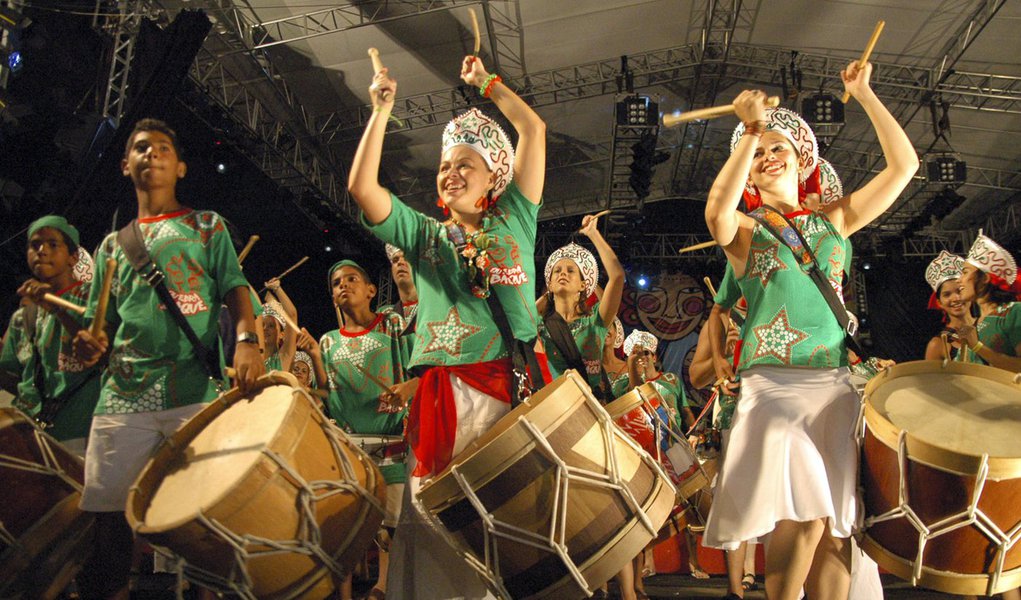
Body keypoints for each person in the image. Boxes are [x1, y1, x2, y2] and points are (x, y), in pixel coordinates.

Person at [701, 55, 917, 600]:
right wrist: (749, 130)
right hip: (771, 386)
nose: (769, 156)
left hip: (832, 386)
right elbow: (715, 214)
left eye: (780, 148)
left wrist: (865, 94)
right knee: (802, 511)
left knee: (835, 521)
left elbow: (904, 168)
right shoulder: (747, 231)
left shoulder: (836, 220)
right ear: (748, 171)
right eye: (759, 152)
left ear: (803, 163)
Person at [347, 51, 546, 598]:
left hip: (513, 386)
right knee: (443, 528)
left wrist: (488, 84)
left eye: (466, 164)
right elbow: (363, 190)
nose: (451, 173)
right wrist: (380, 112)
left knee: (515, 527)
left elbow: (533, 127)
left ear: (494, 177)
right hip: (449, 397)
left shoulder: (518, 216)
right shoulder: (425, 236)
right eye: (444, 166)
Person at [73, 118, 263, 600]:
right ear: (125, 165)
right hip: (122, 397)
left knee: (205, 520)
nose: (151, 154)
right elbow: (102, 331)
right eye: (140, 148)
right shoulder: (112, 248)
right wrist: (90, 346)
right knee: (107, 522)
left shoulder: (206, 226)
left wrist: (247, 340)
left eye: (162, 148)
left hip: (192, 391)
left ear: (179, 166)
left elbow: (236, 289)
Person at [319, 259, 414, 600]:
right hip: (350, 448)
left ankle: (388, 587)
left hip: (393, 443)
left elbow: (421, 367)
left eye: (352, 278)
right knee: (351, 530)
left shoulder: (392, 324)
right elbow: (327, 394)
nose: (343, 285)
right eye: (336, 283)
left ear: (372, 290)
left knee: (394, 530)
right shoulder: (327, 342)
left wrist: (408, 388)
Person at [0, 215, 100, 457]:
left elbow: (100, 351)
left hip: (86, 430)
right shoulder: (22, 318)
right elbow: (16, 379)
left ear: (73, 257)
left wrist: (55, 308)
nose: (42, 251)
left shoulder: (92, 300)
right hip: (35, 434)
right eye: (34, 245)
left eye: (53, 245)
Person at [537, 215, 624, 398]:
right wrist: (548, 294)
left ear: (583, 285)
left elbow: (617, 277)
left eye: (571, 271)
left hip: (589, 405)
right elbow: (524, 316)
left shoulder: (596, 322)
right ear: (549, 284)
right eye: (557, 271)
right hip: (550, 405)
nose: (563, 274)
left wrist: (593, 234)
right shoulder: (540, 325)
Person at [954, 231, 1021, 372]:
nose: (959, 280)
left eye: (965, 272)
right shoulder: (973, 326)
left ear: (985, 279)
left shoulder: (1013, 312)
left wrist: (977, 346)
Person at [923, 251, 975, 361]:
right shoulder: (937, 345)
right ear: (939, 302)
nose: (955, 298)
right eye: (947, 294)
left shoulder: (988, 324)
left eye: (959, 291)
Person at [260, 277, 297, 372]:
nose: (265, 329)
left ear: (282, 334)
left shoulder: (284, 356)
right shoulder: (253, 360)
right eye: (262, 325)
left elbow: (291, 315)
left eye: (271, 326)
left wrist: (277, 289)